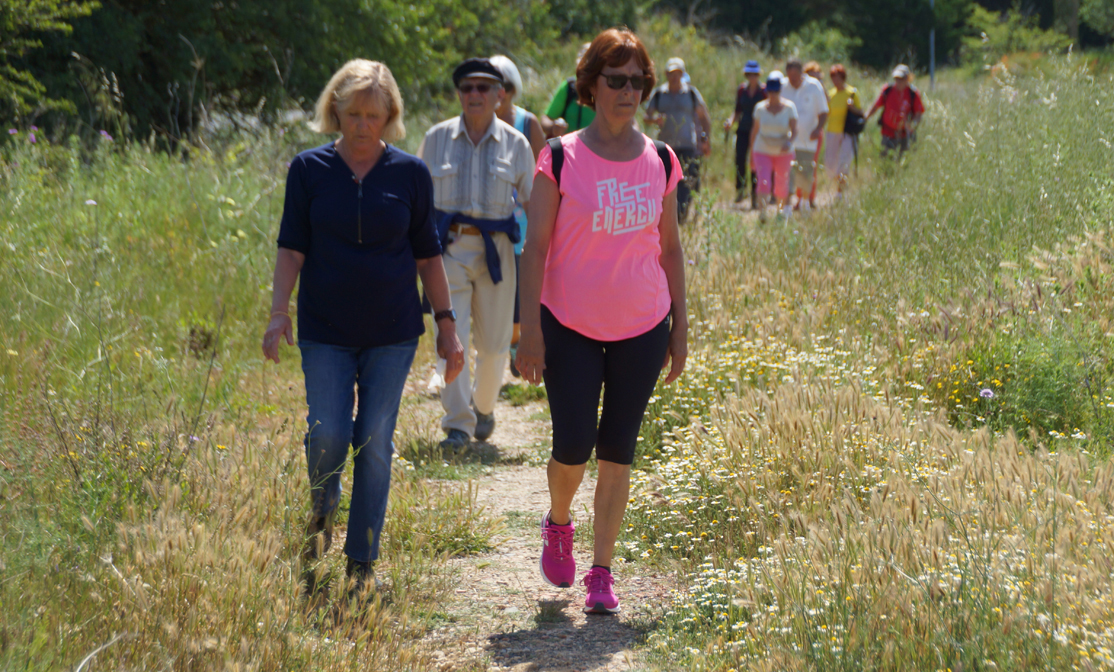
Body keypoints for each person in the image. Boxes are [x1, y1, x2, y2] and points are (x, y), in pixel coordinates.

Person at [262, 59, 465, 596]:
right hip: (325, 328)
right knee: (328, 431)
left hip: (393, 330)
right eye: (353, 113)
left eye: (374, 115)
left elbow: (428, 256)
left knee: (374, 441)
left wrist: (447, 326)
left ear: (390, 116)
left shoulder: (410, 174)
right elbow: (291, 247)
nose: (363, 125)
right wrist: (279, 310)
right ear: (335, 111)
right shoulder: (307, 171)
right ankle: (321, 511)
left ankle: (361, 560)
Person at [515, 28, 688, 615]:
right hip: (569, 324)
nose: (629, 90)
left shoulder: (661, 158)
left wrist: (681, 328)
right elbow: (534, 248)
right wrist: (529, 329)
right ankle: (559, 521)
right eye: (616, 79)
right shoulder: (561, 158)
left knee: (618, 450)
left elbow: (670, 250)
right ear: (589, 85)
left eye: (638, 80)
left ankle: (601, 572)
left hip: (643, 324)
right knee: (574, 446)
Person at [417, 58, 535, 452]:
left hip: (498, 251)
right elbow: (416, 198)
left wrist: (547, 254)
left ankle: (483, 407)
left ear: (500, 94)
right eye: (467, 88)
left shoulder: (516, 144)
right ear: (459, 94)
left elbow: (535, 202)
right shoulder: (435, 139)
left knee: (498, 345)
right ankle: (457, 425)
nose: (475, 95)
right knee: (452, 337)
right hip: (447, 249)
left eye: (484, 88)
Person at [490, 55, 544, 377]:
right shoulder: (476, 125)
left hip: (523, 224)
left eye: (502, 87)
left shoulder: (528, 123)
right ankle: (501, 350)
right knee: (498, 292)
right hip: (489, 226)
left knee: (522, 292)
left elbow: (543, 171)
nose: (497, 95)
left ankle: (516, 348)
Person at [644, 57, 712, 221]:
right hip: (665, 146)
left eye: (678, 73)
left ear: (682, 74)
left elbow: (704, 117)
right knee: (665, 182)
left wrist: (706, 139)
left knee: (685, 181)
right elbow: (647, 116)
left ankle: (680, 216)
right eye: (671, 74)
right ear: (666, 74)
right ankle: (668, 216)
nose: (674, 77)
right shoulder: (660, 93)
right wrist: (655, 120)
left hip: (687, 143)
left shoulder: (690, 93)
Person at [748, 73, 798, 222]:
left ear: (780, 91)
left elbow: (795, 129)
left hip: (783, 151)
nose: (773, 94)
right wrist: (751, 154)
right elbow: (754, 131)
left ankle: (780, 212)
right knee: (763, 182)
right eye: (770, 91)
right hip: (762, 149)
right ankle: (762, 213)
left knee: (782, 182)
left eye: (776, 91)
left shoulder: (789, 107)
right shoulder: (760, 108)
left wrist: (789, 141)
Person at [780, 57, 828, 213]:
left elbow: (824, 111)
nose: (792, 80)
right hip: (788, 140)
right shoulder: (783, 87)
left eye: (795, 76)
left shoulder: (814, 86)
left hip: (808, 139)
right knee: (786, 172)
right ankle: (786, 205)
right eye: (789, 76)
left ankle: (805, 203)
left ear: (801, 73)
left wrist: (818, 128)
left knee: (806, 172)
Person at [724, 60, 766, 208]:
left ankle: (755, 195)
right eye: (749, 74)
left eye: (754, 74)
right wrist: (730, 121)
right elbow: (737, 110)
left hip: (758, 131)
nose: (752, 77)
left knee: (755, 162)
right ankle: (741, 190)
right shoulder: (742, 90)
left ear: (758, 75)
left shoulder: (764, 91)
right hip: (742, 129)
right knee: (740, 159)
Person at [866, 64, 924, 159]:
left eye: (901, 78)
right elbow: (875, 106)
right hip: (888, 133)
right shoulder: (887, 90)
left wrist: (912, 125)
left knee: (905, 161)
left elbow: (918, 114)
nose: (898, 81)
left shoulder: (913, 93)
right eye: (896, 78)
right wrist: (866, 117)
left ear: (908, 79)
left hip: (906, 135)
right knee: (885, 160)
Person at [540, 43, 595, 138]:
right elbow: (545, 119)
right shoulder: (569, 87)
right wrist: (553, 127)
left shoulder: (607, 89)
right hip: (568, 149)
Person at [824, 64, 862, 194]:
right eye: (833, 78)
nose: (835, 81)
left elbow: (861, 112)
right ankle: (838, 182)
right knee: (829, 163)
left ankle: (840, 192)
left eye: (838, 78)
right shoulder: (831, 94)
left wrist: (852, 108)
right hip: (832, 131)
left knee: (844, 163)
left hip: (847, 133)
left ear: (843, 78)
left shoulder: (852, 93)